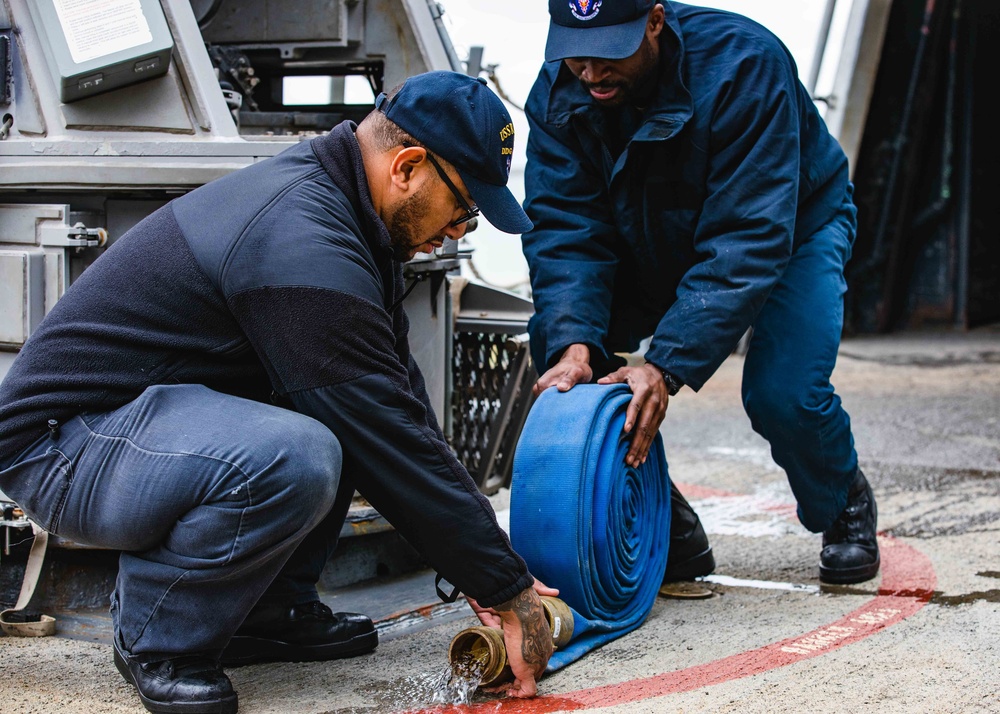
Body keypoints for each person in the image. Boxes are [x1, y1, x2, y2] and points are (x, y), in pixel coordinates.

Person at [0, 71, 554, 714]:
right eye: (463, 208)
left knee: (337, 414)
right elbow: (382, 427)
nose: (460, 230)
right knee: (299, 450)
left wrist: (491, 573)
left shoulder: (345, 218)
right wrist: (507, 588)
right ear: (408, 166)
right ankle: (160, 638)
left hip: (143, 426)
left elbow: (399, 405)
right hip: (64, 444)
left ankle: (267, 612)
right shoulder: (301, 234)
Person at [521, 0, 879, 587]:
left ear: (655, 21)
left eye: (610, 51)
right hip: (651, 234)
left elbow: (747, 236)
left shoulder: (746, 64)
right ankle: (665, 525)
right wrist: (577, 341)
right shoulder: (563, 86)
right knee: (566, 358)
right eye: (576, 52)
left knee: (782, 393)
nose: (589, 73)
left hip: (790, 227)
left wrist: (664, 366)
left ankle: (843, 502)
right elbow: (564, 224)